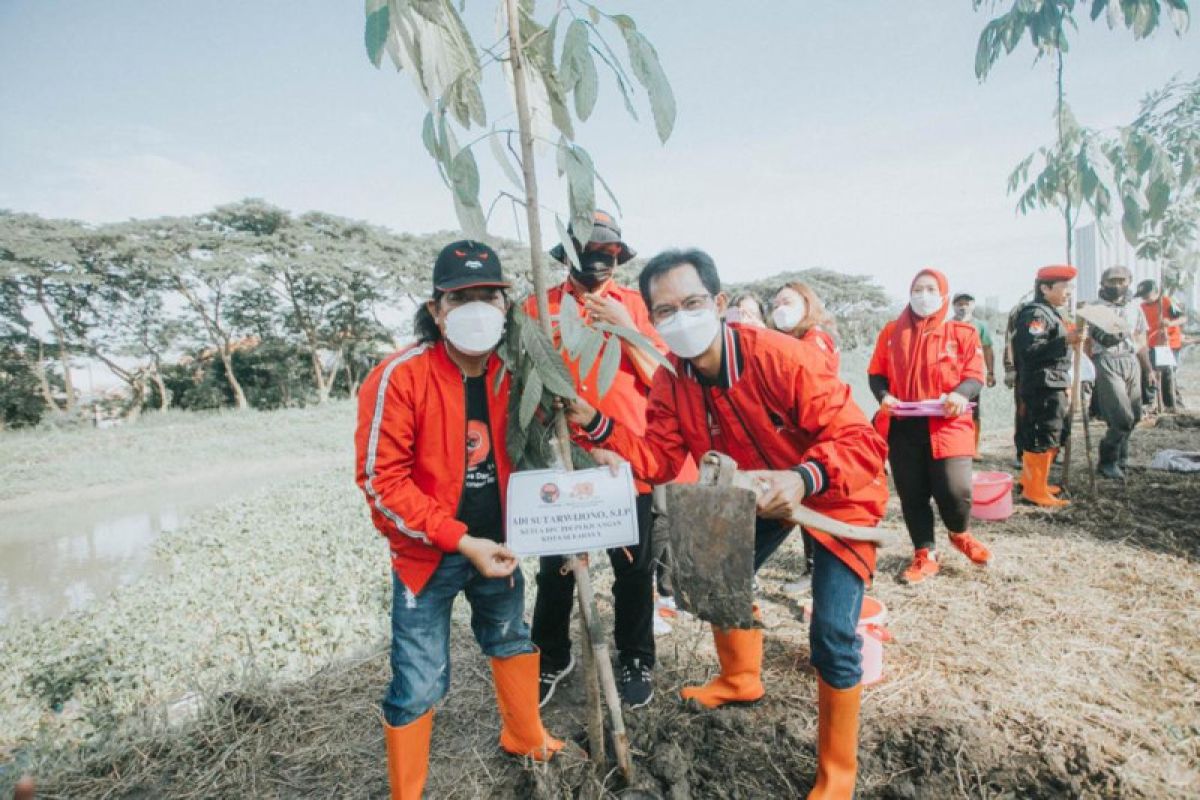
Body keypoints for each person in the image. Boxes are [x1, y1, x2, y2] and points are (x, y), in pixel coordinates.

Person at [567, 248, 888, 799]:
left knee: (833, 636)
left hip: (832, 493)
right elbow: (659, 461)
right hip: (754, 496)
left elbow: (862, 442)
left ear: (718, 303)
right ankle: (741, 679)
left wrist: (804, 478)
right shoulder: (671, 381)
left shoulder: (783, 358)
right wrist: (595, 423)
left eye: (691, 302)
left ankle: (838, 774)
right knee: (711, 569)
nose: (680, 318)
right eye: (664, 311)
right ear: (652, 319)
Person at [355, 241, 563, 799]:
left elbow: (550, 441)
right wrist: (458, 539)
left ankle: (525, 736)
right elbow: (383, 482)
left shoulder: (516, 372)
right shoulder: (399, 376)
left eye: (487, 296)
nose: (476, 307)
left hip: (498, 546)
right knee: (419, 679)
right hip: (427, 557)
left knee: (511, 638)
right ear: (435, 310)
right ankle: (408, 791)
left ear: (506, 304)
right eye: (460, 297)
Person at [526, 210, 675, 710]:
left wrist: (628, 331)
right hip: (565, 462)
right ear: (566, 255)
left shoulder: (639, 307)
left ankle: (636, 657)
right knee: (556, 569)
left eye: (608, 255)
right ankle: (550, 656)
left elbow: (666, 384)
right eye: (587, 253)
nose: (597, 263)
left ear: (619, 257)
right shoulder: (538, 310)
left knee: (631, 571)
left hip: (626, 461)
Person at [868, 271, 992, 585]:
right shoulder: (892, 332)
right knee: (912, 493)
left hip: (947, 423)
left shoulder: (961, 333)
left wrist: (960, 395)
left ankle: (959, 534)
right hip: (903, 423)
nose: (924, 295)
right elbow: (876, 373)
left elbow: (975, 375)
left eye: (931, 289)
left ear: (943, 295)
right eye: (918, 289)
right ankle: (924, 552)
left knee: (955, 489)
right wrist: (884, 396)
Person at [769, 280, 840, 588]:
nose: (780, 310)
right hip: (803, 433)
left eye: (787, 303)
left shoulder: (814, 340)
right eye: (775, 307)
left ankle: (823, 573)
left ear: (807, 306)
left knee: (816, 504)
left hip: (816, 432)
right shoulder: (794, 339)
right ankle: (815, 570)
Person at [1010, 265, 1083, 508]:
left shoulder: (1052, 313)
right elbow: (1029, 350)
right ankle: (1034, 490)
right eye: (1064, 287)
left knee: (1053, 432)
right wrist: (1065, 340)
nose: (1069, 292)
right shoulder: (1036, 314)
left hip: (1054, 381)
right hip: (1042, 384)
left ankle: (1033, 482)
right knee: (1043, 433)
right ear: (1045, 288)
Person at [1089, 266, 1151, 479]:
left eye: (1122, 281)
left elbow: (1141, 341)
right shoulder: (1094, 308)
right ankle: (1107, 460)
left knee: (1134, 416)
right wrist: (1123, 327)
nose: (1117, 285)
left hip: (1131, 360)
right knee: (1120, 417)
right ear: (1103, 283)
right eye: (1112, 281)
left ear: (1129, 282)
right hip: (1107, 360)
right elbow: (1105, 338)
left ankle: (1122, 460)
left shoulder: (1135, 307)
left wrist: (1148, 369)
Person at [951, 292, 997, 459]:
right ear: (953, 306)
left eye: (966, 303)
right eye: (959, 304)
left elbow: (987, 349)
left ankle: (973, 448)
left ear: (973, 305)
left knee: (974, 412)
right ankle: (955, 448)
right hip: (951, 378)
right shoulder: (947, 325)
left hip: (973, 378)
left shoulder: (980, 326)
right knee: (953, 411)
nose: (963, 307)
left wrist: (991, 372)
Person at [1138, 279, 1186, 412]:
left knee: (1168, 373)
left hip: (1169, 343)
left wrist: (1169, 323)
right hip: (1152, 344)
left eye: (1147, 296)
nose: (1145, 299)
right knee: (1149, 373)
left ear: (1155, 293)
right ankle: (1150, 402)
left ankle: (1172, 403)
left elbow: (1183, 318)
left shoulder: (1167, 302)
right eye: (1143, 297)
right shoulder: (1141, 307)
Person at [1002, 291, 1034, 470]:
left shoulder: (1056, 311)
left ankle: (1050, 451)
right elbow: (1009, 341)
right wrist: (1010, 368)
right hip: (1025, 372)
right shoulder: (1021, 311)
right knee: (1024, 413)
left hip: (1051, 373)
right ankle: (1022, 453)